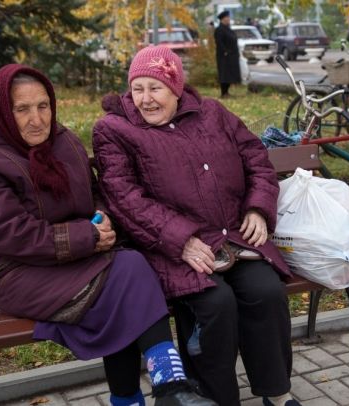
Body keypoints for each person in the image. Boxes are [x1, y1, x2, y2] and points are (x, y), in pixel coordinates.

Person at [0, 64, 216, 406]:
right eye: (22, 109)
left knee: (122, 286)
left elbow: (94, 192)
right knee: (127, 273)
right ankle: (169, 386)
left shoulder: (63, 141)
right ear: (3, 110)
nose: (37, 120)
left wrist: (101, 218)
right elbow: (8, 234)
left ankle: (143, 396)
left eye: (43, 106)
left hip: (78, 258)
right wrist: (86, 236)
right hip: (16, 271)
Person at [92, 45, 300, 406]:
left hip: (234, 237)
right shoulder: (115, 130)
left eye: (155, 88)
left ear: (176, 88)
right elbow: (124, 198)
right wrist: (182, 240)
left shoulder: (213, 113)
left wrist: (257, 209)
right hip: (169, 248)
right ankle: (214, 399)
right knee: (215, 304)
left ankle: (277, 393)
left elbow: (257, 160)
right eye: (137, 88)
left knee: (266, 292)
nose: (145, 99)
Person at [214, 10, 241, 98]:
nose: (229, 19)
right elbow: (219, 42)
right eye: (227, 17)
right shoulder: (219, 30)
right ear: (223, 19)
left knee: (231, 74)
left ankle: (227, 92)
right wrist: (225, 51)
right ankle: (224, 92)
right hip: (224, 57)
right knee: (225, 74)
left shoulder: (228, 29)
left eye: (229, 17)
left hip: (232, 56)